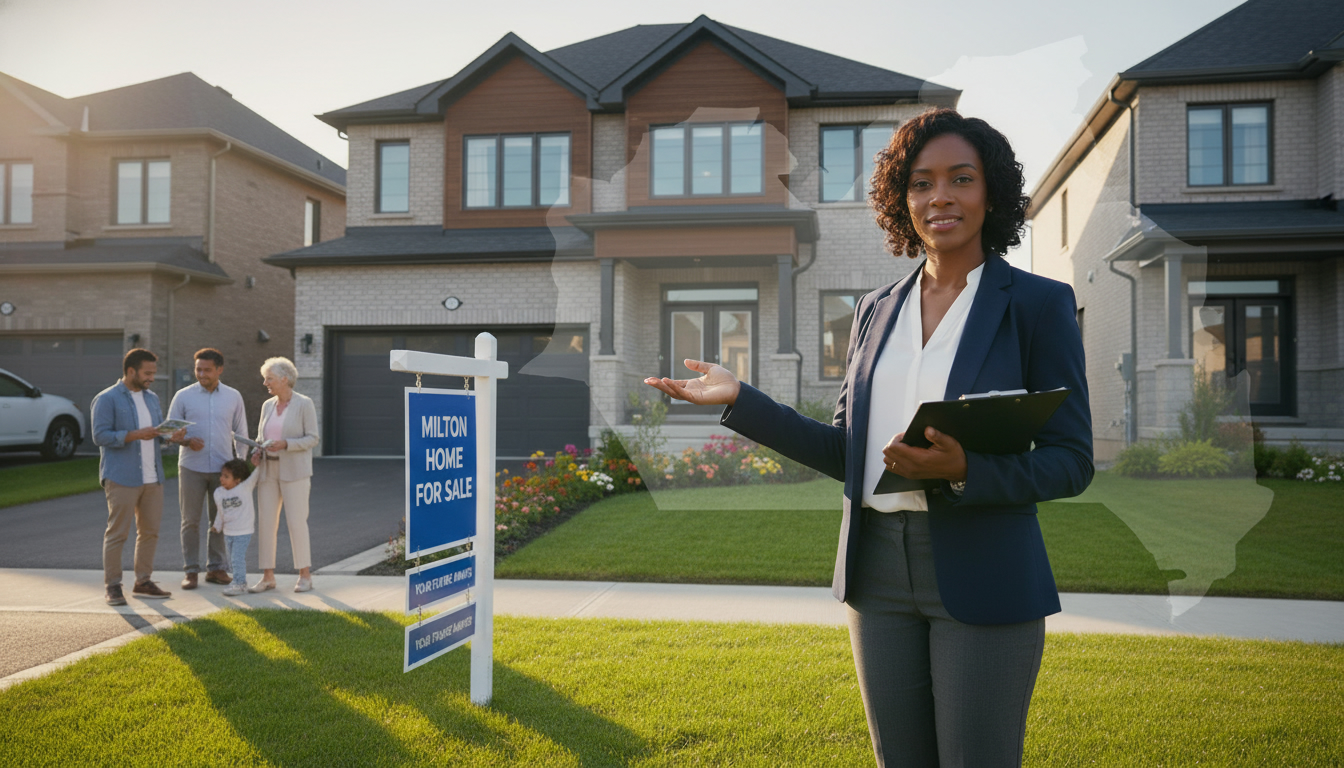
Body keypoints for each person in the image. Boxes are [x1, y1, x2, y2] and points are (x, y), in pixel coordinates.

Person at [645, 109, 1093, 767]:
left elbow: (1070, 462)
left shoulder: (1036, 305)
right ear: (900, 199)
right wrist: (742, 400)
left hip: (985, 570)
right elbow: (846, 451)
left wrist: (966, 467)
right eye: (920, 183)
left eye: (960, 179)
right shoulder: (875, 310)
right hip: (876, 572)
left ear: (990, 192)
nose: (939, 196)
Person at [91, 348, 184, 605]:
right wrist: (134, 434)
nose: (151, 377)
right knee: (118, 533)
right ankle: (113, 586)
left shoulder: (152, 398)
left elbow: (154, 434)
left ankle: (143, 581)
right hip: (121, 476)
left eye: (153, 373)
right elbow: (100, 436)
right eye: (147, 372)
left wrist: (169, 436)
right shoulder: (107, 399)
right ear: (131, 371)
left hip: (152, 477)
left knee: (150, 532)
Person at [165, 348, 248, 590]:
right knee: (190, 521)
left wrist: (240, 466)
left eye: (207, 370)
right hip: (191, 467)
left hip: (223, 469)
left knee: (220, 520)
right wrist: (185, 440)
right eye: (198, 369)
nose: (201, 374)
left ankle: (216, 569)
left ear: (219, 370)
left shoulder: (233, 397)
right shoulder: (183, 396)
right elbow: (169, 433)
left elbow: (241, 432)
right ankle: (191, 571)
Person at [249, 357, 320, 594]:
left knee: (296, 522)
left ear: (284, 379)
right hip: (268, 470)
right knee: (266, 523)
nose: (265, 383)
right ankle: (268, 576)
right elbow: (261, 437)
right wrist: (256, 451)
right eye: (264, 378)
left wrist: (286, 444)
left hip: (295, 471)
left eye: (269, 378)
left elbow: (313, 438)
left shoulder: (304, 403)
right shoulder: (267, 406)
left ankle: (305, 575)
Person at [211, 458, 259, 597]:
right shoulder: (219, 493)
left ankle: (240, 583)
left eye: (226, 477)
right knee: (232, 559)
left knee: (237, 558)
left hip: (243, 532)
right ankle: (237, 581)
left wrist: (261, 462)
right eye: (222, 475)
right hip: (228, 532)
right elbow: (221, 512)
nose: (222, 479)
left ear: (237, 479)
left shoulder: (244, 487)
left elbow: (256, 475)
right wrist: (217, 526)